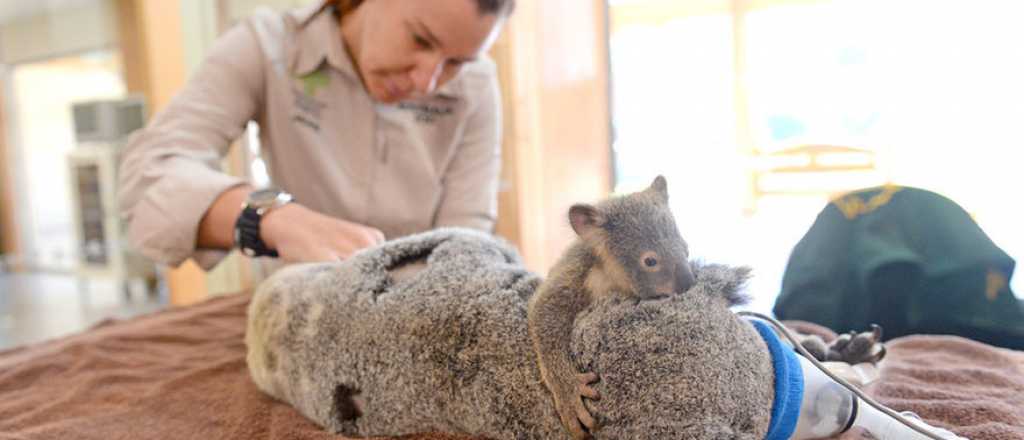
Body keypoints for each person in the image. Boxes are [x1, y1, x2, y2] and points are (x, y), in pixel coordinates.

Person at [118, 0, 514, 271]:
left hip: (416, 316)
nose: (427, 82)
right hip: (301, 314)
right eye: (420, 39)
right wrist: (273, 219)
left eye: (456, 62)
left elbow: (465, 238)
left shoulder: (476, 87)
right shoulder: (269, 46)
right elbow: (148, 181)